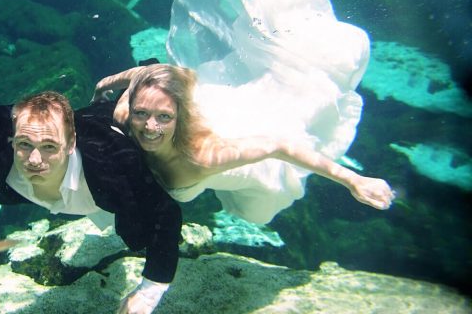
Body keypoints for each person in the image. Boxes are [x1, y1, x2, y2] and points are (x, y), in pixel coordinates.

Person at [0, 91, 182, 314]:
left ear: (70, 146)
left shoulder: (114, 167)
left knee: (158, 212)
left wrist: (150, 290)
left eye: (48, 147)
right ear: (11, 139)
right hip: (80, 147)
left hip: (109, 137)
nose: (34, 160)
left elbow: (166, 213)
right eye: (24, 145)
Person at [93, 64, 395, 225]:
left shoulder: (204, 156)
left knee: (257, 214)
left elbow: (279, 146)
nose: (149, 127)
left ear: (180, 117)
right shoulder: (125, 111)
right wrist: (102, 86)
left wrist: (353, 179)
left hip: (244, 172)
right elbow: (142, 74)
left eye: (163, 117)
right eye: (141, 114)